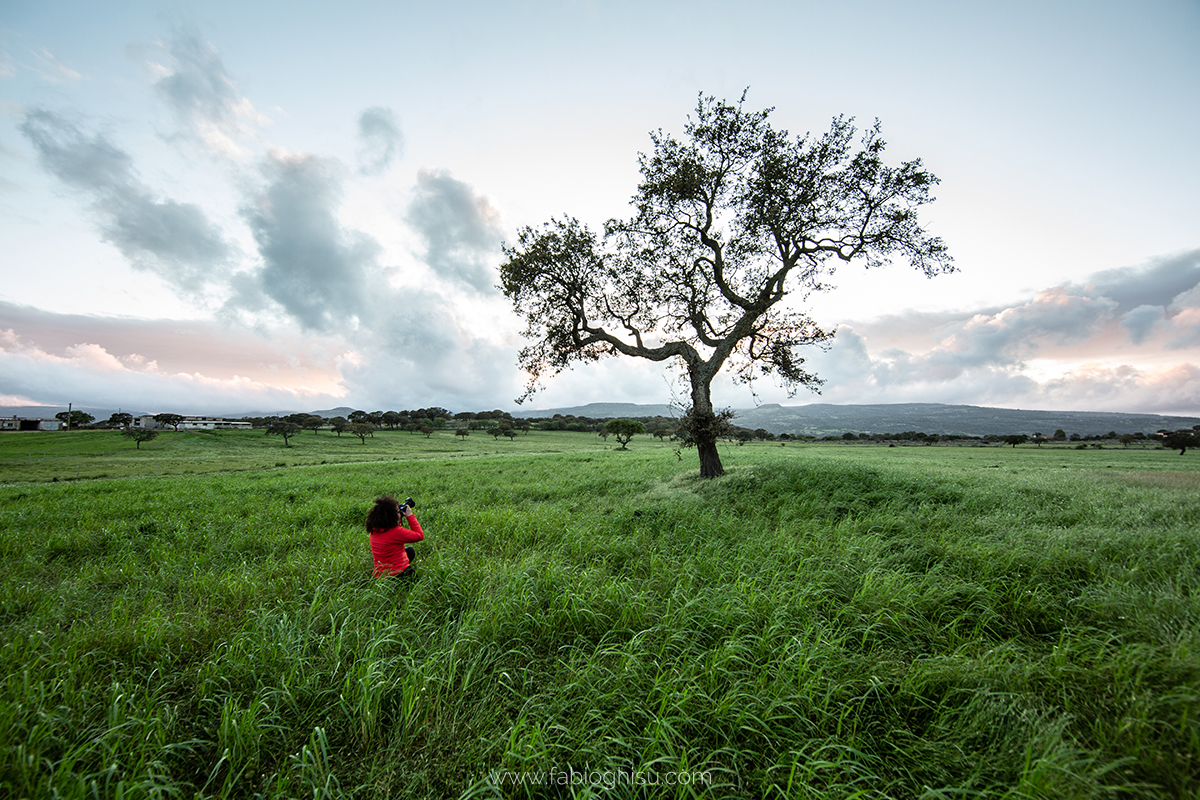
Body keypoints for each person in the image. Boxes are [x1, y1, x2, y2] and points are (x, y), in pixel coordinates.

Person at [366, 495, 424, 578]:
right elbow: (420, 535)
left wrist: (398, 517)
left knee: (409, 552)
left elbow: (393, 530)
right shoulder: (395, 532)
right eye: (397, 512)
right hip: (396, 573)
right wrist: (409, 516)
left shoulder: (375, 530)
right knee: (415, 577)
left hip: (379, 574)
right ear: (392, 516)